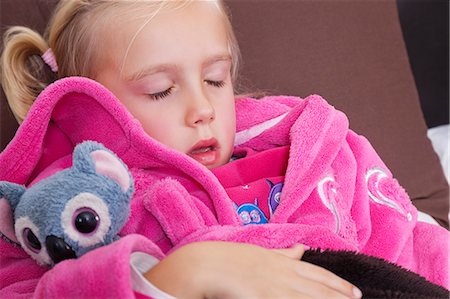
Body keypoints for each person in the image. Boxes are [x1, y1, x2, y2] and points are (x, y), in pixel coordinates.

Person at [0, 1, 447, 298]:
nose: (203, 109)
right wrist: (171, 276)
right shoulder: (77, 204)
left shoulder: (314, 150)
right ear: (90, 107)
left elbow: (408, 237)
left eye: (215, 80)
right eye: (160, 90)